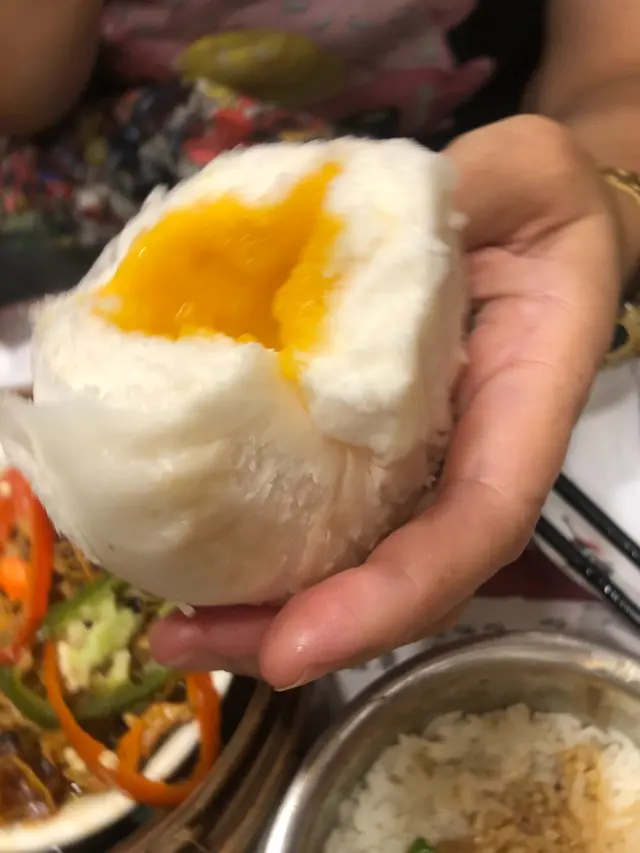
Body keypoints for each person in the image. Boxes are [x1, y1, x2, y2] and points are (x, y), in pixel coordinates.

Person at [4, 0, 640, 688]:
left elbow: (620, 67)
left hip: (473, 185)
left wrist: (612, 194)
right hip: (122, 181)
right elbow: (20, 92)